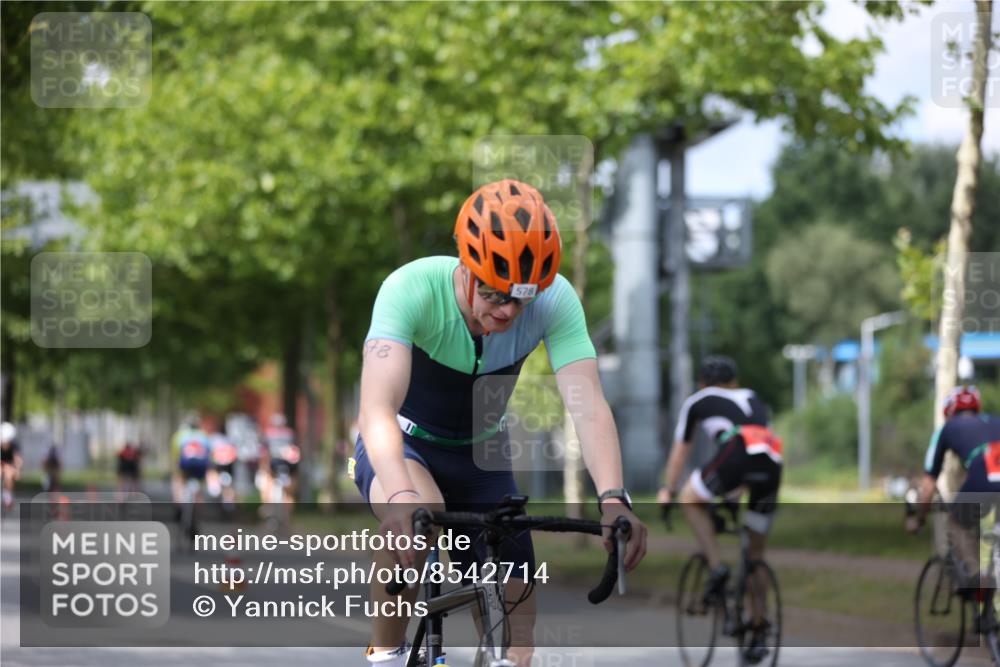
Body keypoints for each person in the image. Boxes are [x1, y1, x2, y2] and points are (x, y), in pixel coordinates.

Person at [352, 179, 647, 667]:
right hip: (405, 447)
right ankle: (385, 652)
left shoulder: (556, 300)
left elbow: (588, 403)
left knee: (518, 636)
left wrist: (614, 499)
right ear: (465, 267)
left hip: (481, 455)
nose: (508, 311)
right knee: (419, 515)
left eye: (522, 299)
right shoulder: (410, 288)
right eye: (494, 293)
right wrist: (399, 499)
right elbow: (377, 409)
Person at [658, 355, 782, 664]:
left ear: (702, 383)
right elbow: (758, 443)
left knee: (690, 499)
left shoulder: (697, 400)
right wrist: (734, 492)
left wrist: (668, 490)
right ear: (734, 382)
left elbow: (680, 454)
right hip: (771, 462)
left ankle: (717, 567)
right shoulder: (753, 396)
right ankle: (758, 625)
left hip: (736, 454)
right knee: (756, 554)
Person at [906, 385, 1000, 585]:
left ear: (948, 412)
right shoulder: (995, 421)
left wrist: (920, 519)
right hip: (988, 471)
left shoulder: (946, 429)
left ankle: (978, 581)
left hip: (985, 471)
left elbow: (929, 484)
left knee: (956, 524)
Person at [260, 413, 300, 506]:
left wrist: (264, 466)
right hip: (288, 464)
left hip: (274, 462)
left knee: (268, 486)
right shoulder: (290, 433)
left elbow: (264, 451)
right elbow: (296, 451)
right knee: (289, 492)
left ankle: (267, 509)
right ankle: (288, 516)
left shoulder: (268, 433)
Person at [171, 416, 211, 505]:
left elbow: (176, 452)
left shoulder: (180, 435)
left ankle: (178, 503)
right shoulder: (204, 435)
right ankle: (198, 509)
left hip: (185, 463)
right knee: (200, 485)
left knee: (178, 479)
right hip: (201, 464)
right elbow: (209, 452)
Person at [1, 422, 23, 511]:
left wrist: (18, 470)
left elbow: (17, 459)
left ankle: (7, 497)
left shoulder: (14, 445)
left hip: (9, 464)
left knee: (9, 475)